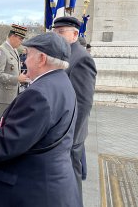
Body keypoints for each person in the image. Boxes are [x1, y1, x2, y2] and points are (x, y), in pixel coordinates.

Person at [0, 32, 81, 206]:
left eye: (28, 55)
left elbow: (8, 141)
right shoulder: (61, 82)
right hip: (51, 183)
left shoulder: (40, 94)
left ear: (41, 59)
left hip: (34, 192)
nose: (24, 61)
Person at [52, 16, 97, 204]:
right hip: (62, 130)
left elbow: (84, 103)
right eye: (56, 32)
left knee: (71, 177)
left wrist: (70, 137)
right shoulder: (64, 55)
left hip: (70, 135)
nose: (58, 36)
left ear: (75, 34)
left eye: (62, 32)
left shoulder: (81, 58)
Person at [0, 24, 29, 124]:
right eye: (20, 39)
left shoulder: (14, 51)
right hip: (4, 96)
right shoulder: (1, 50)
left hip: (13, 94)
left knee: (7, 121)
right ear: (13, 36)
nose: (21, 42)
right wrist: (17, 79)